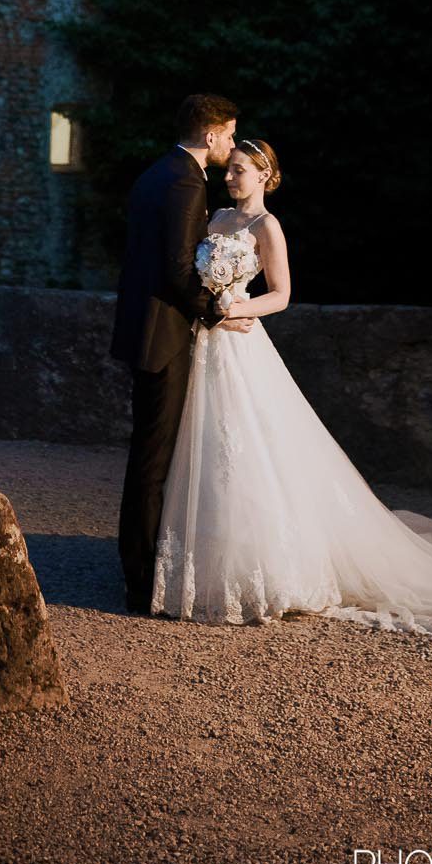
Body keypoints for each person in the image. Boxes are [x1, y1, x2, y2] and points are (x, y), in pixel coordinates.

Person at [150, 137, 432, 636]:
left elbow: (281, 295)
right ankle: (202, 562)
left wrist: (237, 309)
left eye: (238, 170)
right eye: (228, 169)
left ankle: (259, 569)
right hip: (205, 340)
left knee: (244, 445)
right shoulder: (215, 219)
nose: (229, 177)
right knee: (205, 444)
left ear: (263, 175)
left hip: (239, 340)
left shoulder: (265, 226)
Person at [111, 93, 253, 614]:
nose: (232, 146)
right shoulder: (187, 180)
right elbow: (175, 270)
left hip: (142, 329)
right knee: (152, 460)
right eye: (230, 135)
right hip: (163, 336)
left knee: (148, 454)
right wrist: (218, 310)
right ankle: (141, 581)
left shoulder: (155, 172)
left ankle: (140, 569)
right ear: (211, 134)